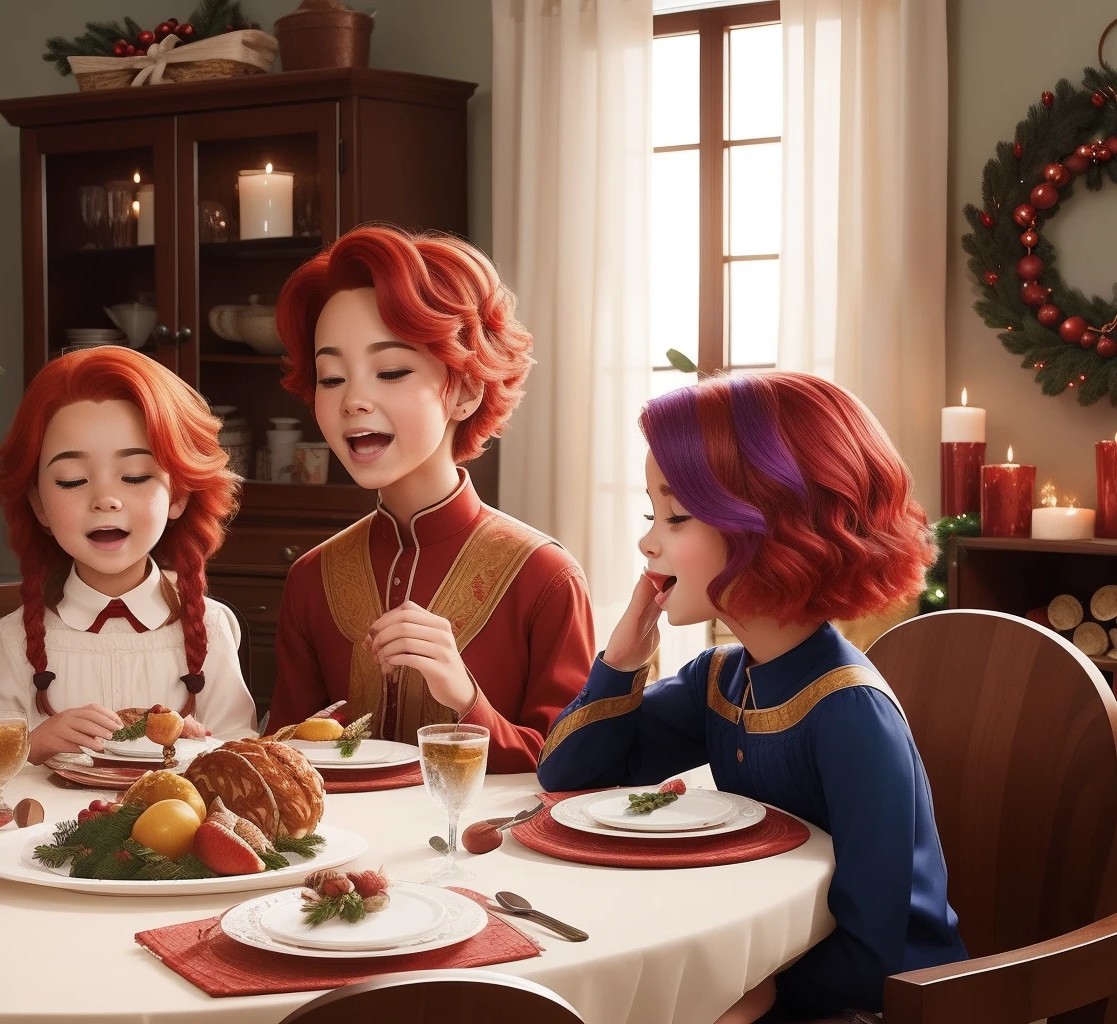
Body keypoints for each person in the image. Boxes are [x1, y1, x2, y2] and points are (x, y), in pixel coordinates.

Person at [537, 371, 968, 1020]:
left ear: (768, 530)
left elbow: (877, 954)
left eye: (676, 516)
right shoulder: (721, 678)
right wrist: (622, 658)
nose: (648, 542)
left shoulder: (851, 712)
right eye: (651, 514)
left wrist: (747, 996)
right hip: (773, 975)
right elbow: (569, 778)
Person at [268, 225, 595, 773]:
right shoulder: (311, 578)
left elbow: (578, 769)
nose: (353, 400)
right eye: (331, 378)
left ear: (466, 390)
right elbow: (283, 760)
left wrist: (464, 697)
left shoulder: (545, 577)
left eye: (391, 371)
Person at [0, 346, 256, 765]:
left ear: (177, 495)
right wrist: (35, 743)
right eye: (72, 480)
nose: (105, 500)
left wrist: (201, 746)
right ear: (38, 504)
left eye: (135, 476)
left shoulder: (213, 628)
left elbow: (239, 756)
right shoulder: (11, 641)